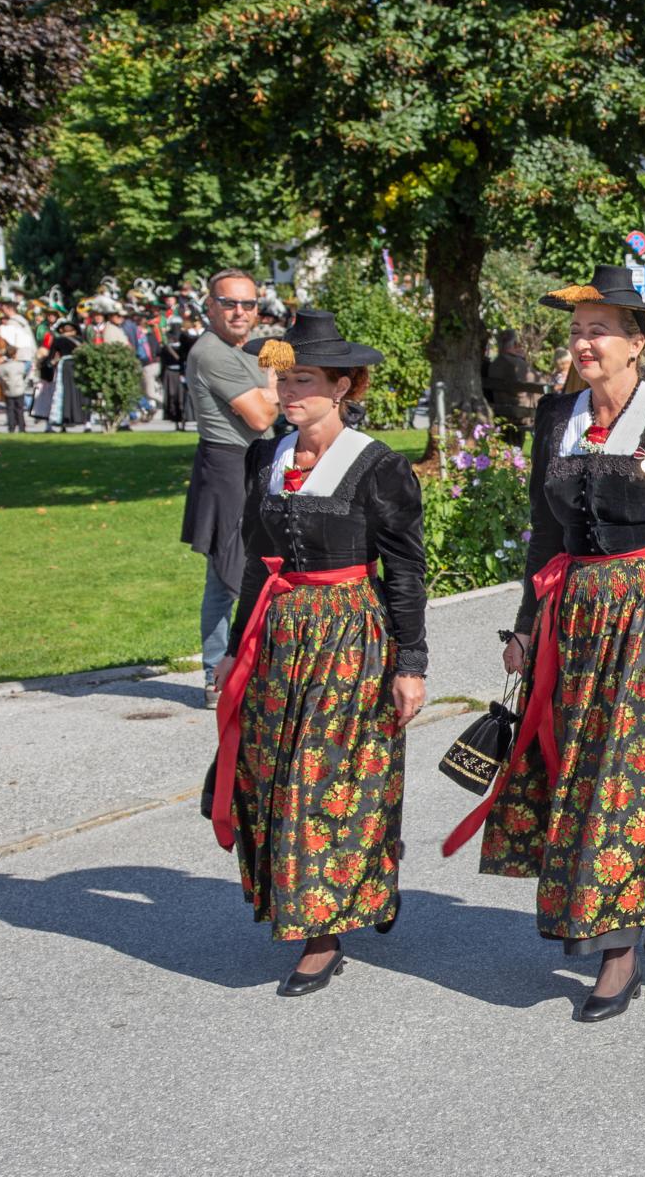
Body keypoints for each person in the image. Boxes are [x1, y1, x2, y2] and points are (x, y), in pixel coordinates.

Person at [448, 265, 645, 1021]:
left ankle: (618, 951)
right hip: (574, 617)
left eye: (598, 330)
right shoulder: (557, 417)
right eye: (577, 332)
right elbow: (545, 534)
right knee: (577, 764)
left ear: (637, 341)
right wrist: (524, 622)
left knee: (628, 775)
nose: (583, 343)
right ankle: (641, 895)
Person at [211, 309, 427, 996]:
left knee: (326, 776)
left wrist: (411, 663)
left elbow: (407, 572)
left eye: (303, 379)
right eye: (281, 377)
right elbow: (254, 563)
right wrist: (232, 649)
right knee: (270, 772)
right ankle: (361, 881)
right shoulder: (264, 457)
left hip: (349, 633)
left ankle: (320, 936)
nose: (287, 391)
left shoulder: (378, 466)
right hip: (279, 632)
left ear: (344, 385)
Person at [182, 270, 278, 709]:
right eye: (229, 303)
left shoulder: (240, 350)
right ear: (211, 306)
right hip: (226, 468)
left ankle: (239, 665)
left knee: (255, 566)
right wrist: (278, 381)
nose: (240, 312)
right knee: (227, 574)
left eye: (248, 304)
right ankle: (215, 674)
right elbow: (261, 417)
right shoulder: (210, 353)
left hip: (248, 463)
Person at [0, 296, 36, 433]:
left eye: (2, 307)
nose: (0, 309)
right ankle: (21, 426)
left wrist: (1, 356)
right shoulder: (23, 320)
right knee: (19, 392)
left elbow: (11, 346)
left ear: (7, 308)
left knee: (12, 396)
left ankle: (14, 426)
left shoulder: (13, 323)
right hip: (27, 358)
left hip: (18, 360)